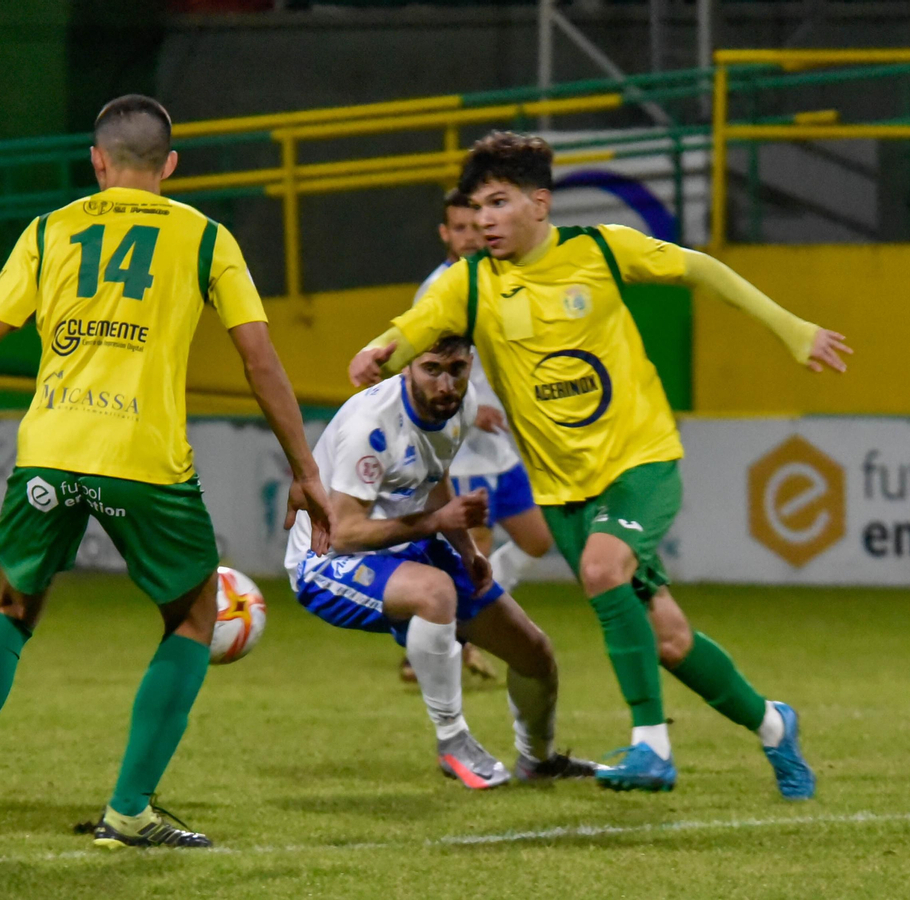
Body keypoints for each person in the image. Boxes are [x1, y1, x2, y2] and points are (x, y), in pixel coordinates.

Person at [0, 94, 333, 850]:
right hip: (143, 458)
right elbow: (259, 358)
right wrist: (305, 470)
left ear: (96, 161)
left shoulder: (49, 230)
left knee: (13, 608)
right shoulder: (205, 238)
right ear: (170, 165)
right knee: (194, 616)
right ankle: (129, 812)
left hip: (51, 451)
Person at [348, 131, 851, 798]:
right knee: (668, 638)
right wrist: (379, 350)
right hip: (562, 490)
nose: (485, 221)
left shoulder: (600, 250)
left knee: (600, 568)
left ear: (540, 203)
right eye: (477, 208)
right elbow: (413, 327)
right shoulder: (470, 284)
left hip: (639, 460)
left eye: (499, 203)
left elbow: (700, 268)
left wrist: (792, 329)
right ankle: (773, 727)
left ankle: (652, 748)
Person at [286, 334, 596, 788]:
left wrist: (468, 550)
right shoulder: (369, 427)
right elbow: (347, 532)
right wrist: (438, 521)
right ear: (407, 368)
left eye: (457, 368)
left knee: (535, 653)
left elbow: (435, 477)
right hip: (327, 560)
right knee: (435, 592)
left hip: (409, 545)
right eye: (432, 369)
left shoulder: (460, 405)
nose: (446, 383)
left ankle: (538, 759)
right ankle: (453, 741)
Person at [398, 190, 551, 684]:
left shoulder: (495, 278)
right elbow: (422, 367)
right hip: (460, 447)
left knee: (536, 540)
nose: (470, 235)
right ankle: (448, 638)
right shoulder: (440, 289)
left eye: (476, 225)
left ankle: (462, 621)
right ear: (445, 233)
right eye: (460, 227)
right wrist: (469, 405)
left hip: (499, 444)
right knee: (474, 544)